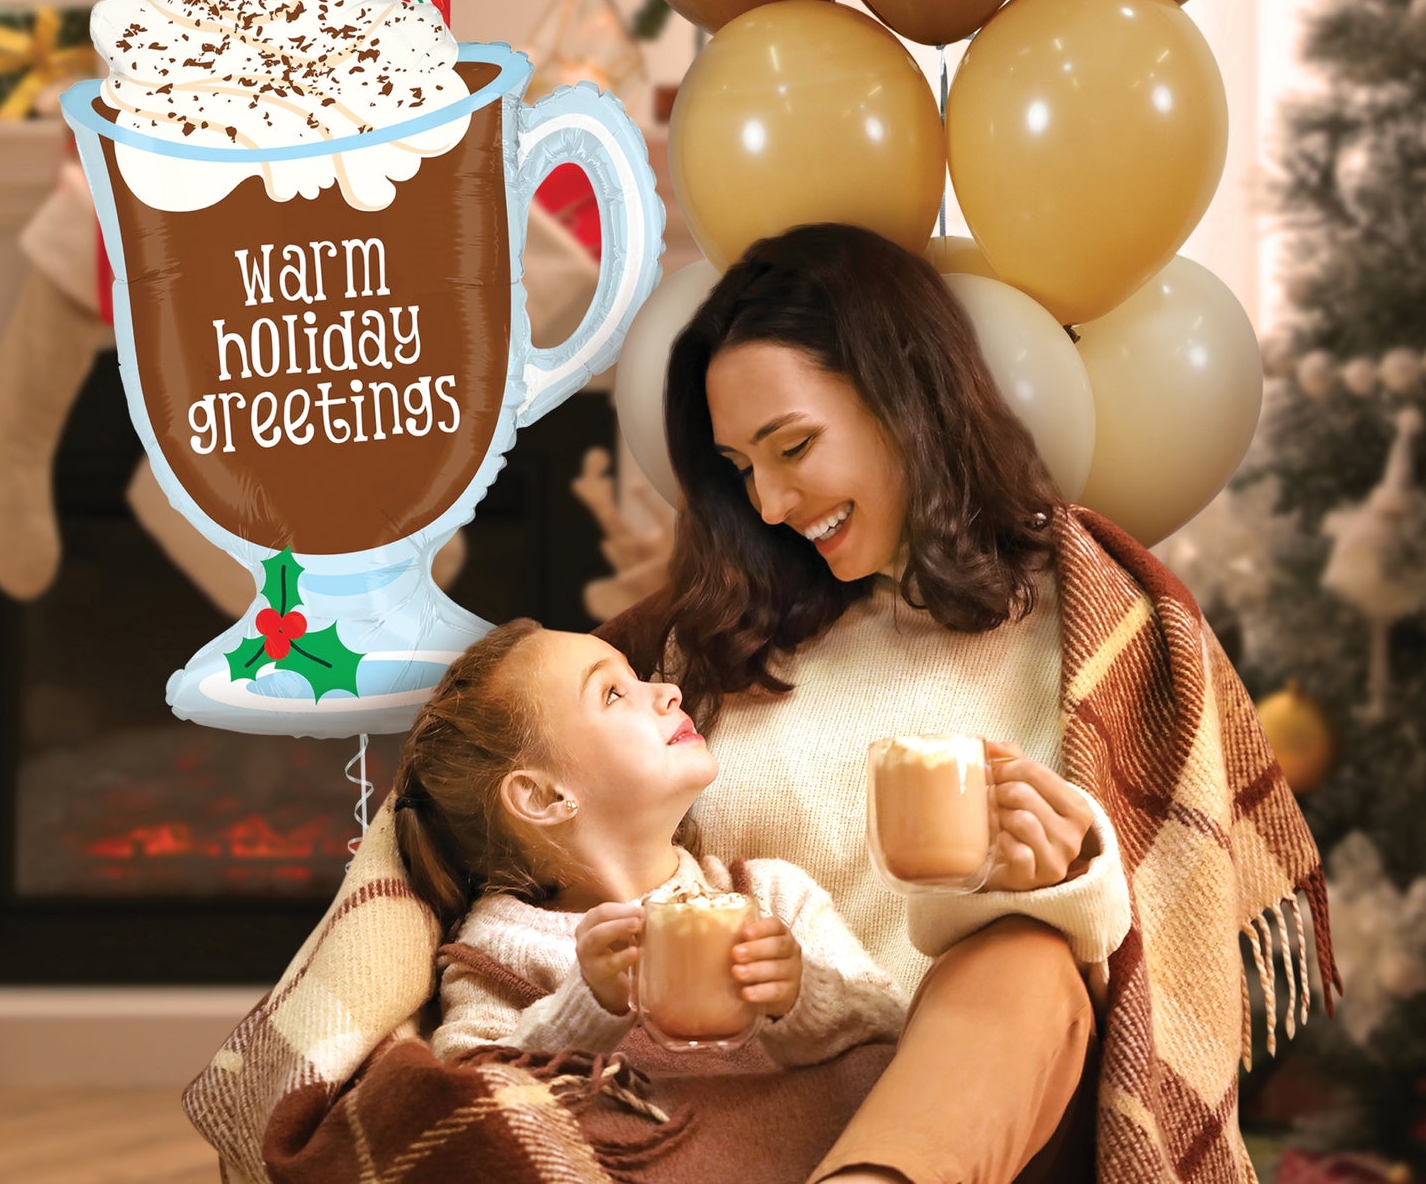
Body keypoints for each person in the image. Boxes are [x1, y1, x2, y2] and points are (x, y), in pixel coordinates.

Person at [592, 222, 1337, 1184]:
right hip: (744, 1100)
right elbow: (508, 808)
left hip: (996, 1113)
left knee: (1023, 952)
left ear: (904, 396)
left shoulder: (1090, 622)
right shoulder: (692, 647)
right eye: (742, 470)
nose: (770, 503)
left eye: (793, 445)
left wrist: (1069, 874)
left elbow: (1149, 963)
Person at [389, 616, 906, 1068]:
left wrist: (802, 998)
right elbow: (467, 1092)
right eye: (613, 693)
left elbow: (897, 1028)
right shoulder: (498, 952)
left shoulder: (774, 899)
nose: (668, 692)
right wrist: (585, 1008)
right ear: (543, 796)